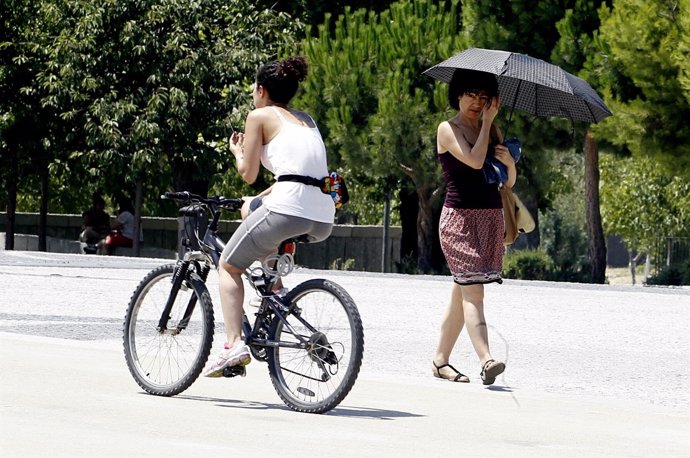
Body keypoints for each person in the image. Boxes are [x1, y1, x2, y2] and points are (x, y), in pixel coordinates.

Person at [204, 56, 336, 377]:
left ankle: (234, 345)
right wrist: (254, 200)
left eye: (253, 88)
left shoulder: (259, 116)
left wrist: (238, 153)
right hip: (322, 216)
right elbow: (293, 179)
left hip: (289, 209)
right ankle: (275, 291)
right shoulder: (307, 120)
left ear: (261, 90)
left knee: (228, 266)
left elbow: (248, 174)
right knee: (251, 208)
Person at [432, 69, 516, 385]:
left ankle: (440, 361)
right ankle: (487, 359)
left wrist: (509, 164)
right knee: (474, 293)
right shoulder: (447, 129)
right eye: (471, 94)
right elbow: (475, 161)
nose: (477, 102)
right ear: (457, 94)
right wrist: (488, 125)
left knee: (462, 291)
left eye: (483, 97)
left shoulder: (489, 132)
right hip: (459, 221)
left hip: (489, 216)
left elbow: (505, 181)